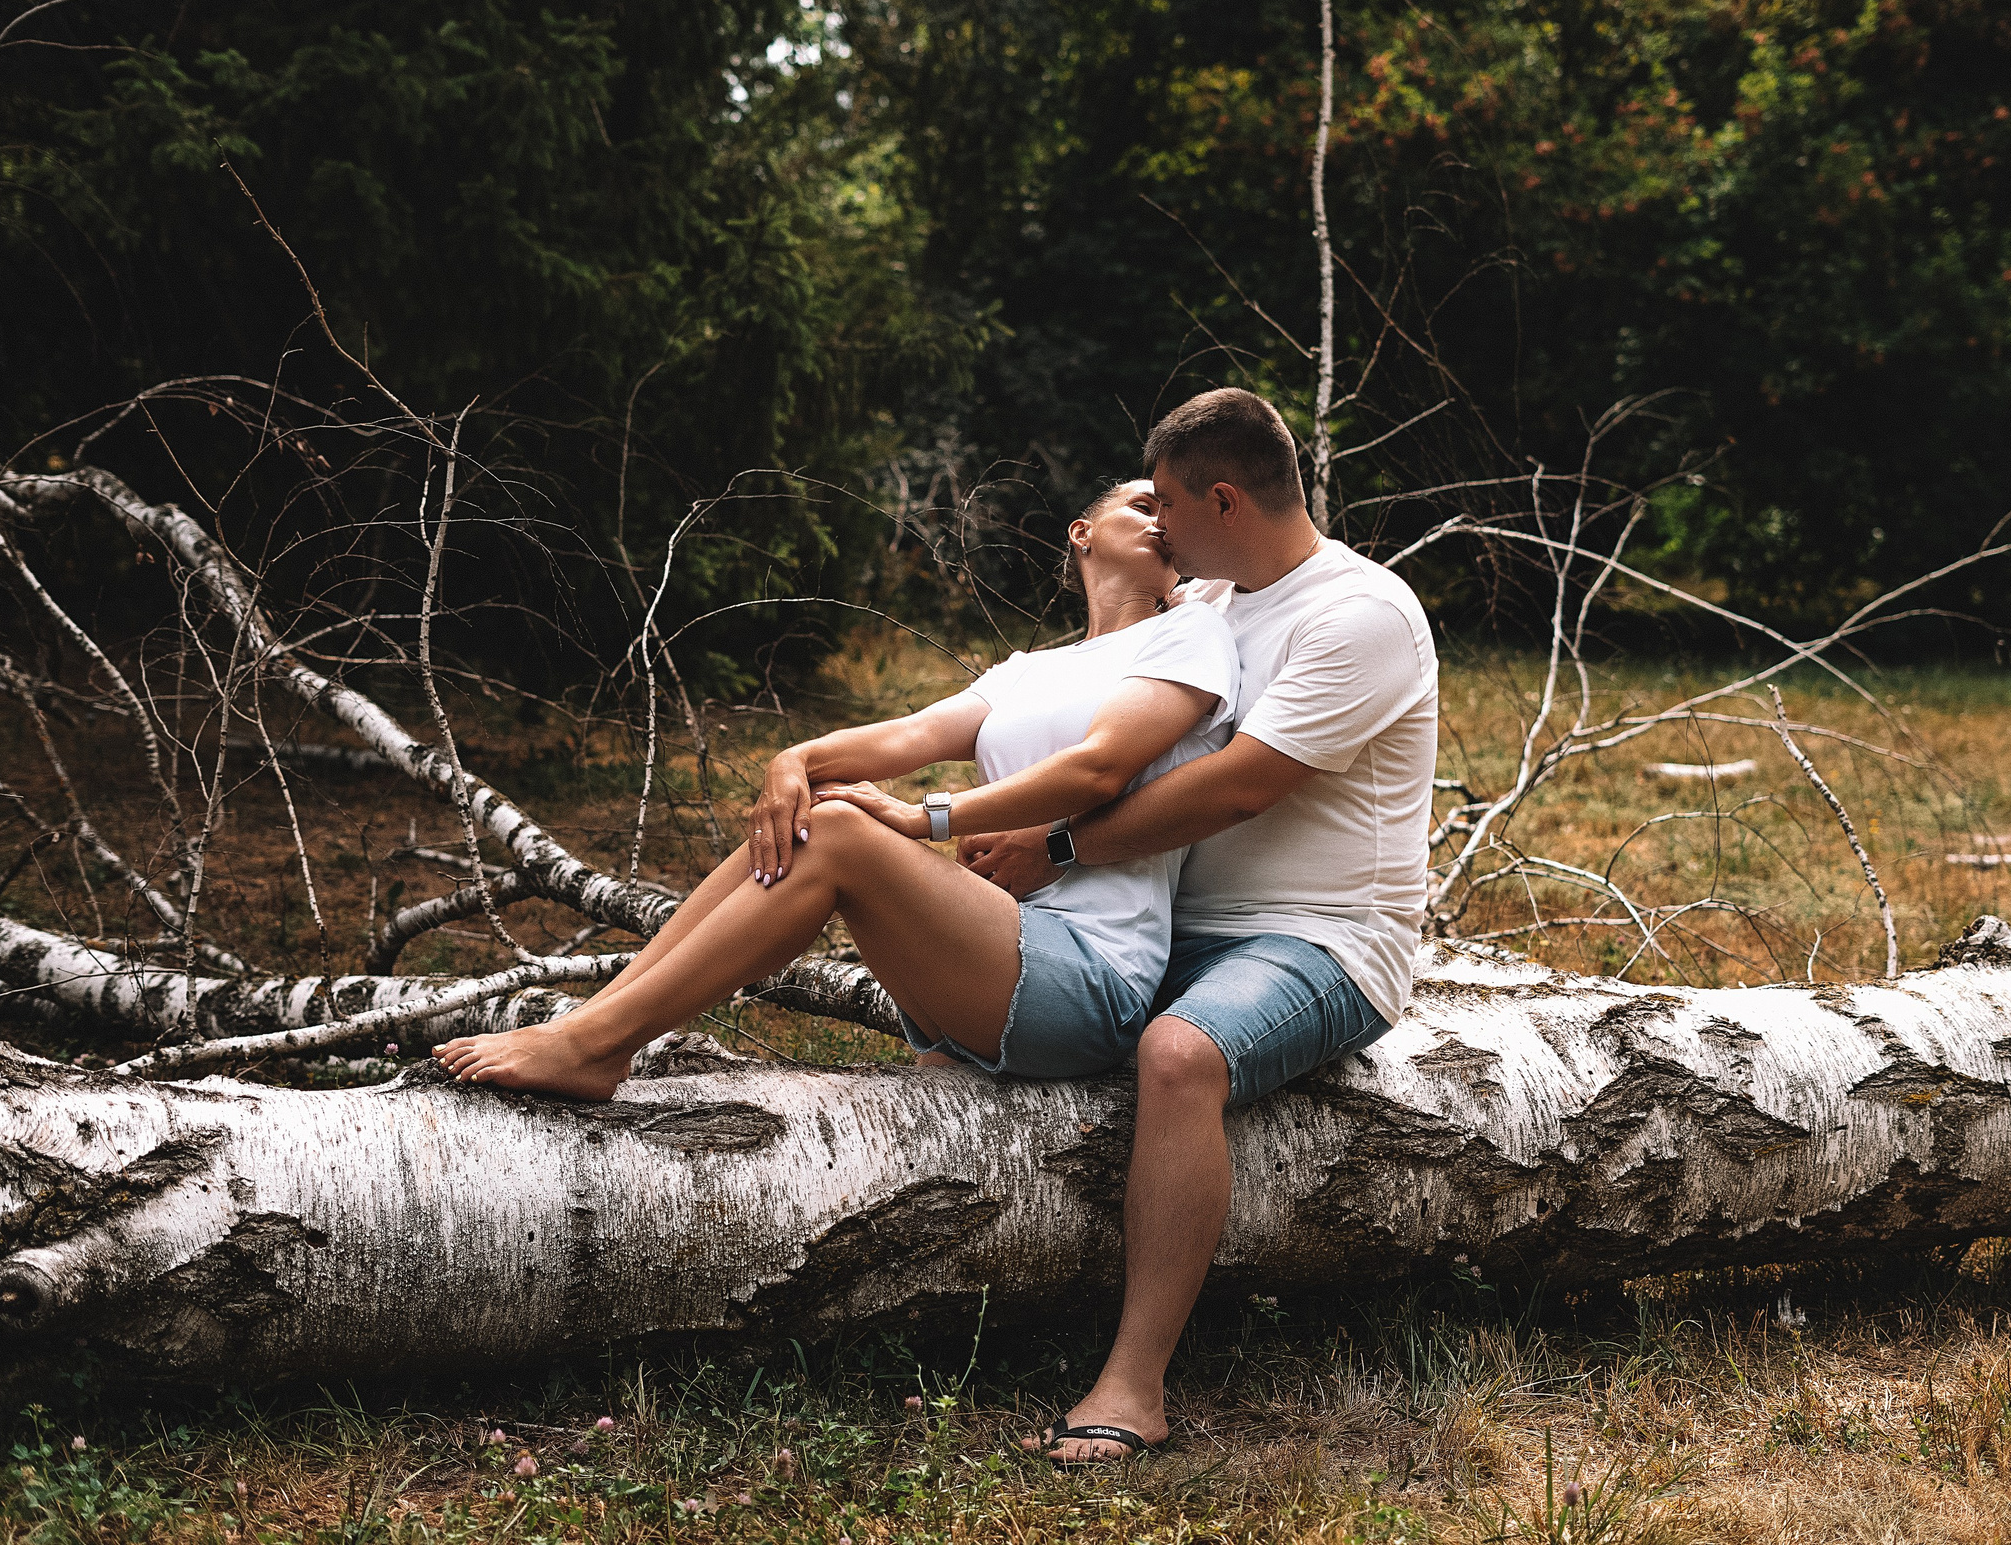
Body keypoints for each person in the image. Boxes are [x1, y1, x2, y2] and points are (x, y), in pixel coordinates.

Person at [949, 388, 1439, 1464]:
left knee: (1178, 1055)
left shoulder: (1357, 613)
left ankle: (1133, 1384)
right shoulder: (1209, 599)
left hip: (1318, 940)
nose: (1155, 523)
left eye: (1165, 503)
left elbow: (1239, 787)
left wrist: (1059, 844)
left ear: (1222, 497)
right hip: (1164, 925)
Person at [431, 479, 1238, 1099]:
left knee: (849, 831)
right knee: (817, 812)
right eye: (1143, 502)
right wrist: (797, 758)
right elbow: (907, 736)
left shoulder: (1190, 632)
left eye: (1173, 508)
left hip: (1091, 978)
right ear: (1082, 531)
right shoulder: (1033, 669)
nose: (1164, 517)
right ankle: (590, 1027)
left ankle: (597, 1044)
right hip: (987, 956)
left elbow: (1100, 767)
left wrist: (924, 817)